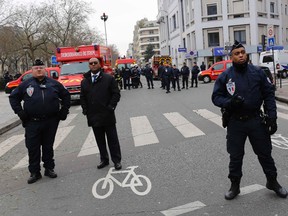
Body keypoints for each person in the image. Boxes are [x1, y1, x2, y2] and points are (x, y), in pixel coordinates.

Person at [212, 40, 287, 200]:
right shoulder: (226, 76)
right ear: (231, 57)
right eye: (236, 54)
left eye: (242, 52)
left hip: (255, 121)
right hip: (235, 122)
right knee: (235, 156)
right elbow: (216, 97)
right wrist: (229, 103)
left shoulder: (258, 72)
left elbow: (268, 95)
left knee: (265, 154)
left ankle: (272, 181)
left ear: (246, 54)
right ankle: (235, 185)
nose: (240, 55)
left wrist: (272, 118)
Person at [9, 59, 70, 184]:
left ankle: (49, 168)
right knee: (33, 147)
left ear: (45, 70)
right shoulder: (26, 84)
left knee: (48, 146)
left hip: (50, 121)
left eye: (41, 67)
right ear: (32, 71)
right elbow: (13, 98)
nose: (38, 70)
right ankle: (34, 172)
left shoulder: (54, 83)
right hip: (32, 122)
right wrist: (20, 112)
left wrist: (64, 110)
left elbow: (66, 95)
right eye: (36, 68)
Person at [80, 57, 122, 170]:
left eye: (95, 63)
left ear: (99, 64)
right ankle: (104, 159)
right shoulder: (85, 81)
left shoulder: (108, 78)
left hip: (107, 114)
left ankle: (117, 160)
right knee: (100, 140)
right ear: (88, 65)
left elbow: (116, 94)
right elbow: (82, 97)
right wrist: (85, 109)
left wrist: (111, 107)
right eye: (91, 63)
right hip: (93, 116)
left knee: (112, 140)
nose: (93, 65)